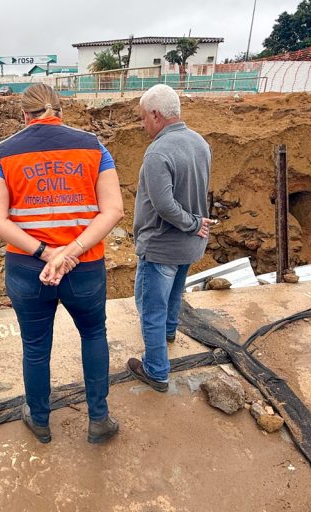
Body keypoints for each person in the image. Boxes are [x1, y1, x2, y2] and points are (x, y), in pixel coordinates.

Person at [0, 83, 124, 444]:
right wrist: (70, 251)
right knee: (93, 334)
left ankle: (40, 420)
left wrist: (46, 253)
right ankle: (99, 419)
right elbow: (113, 210)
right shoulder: (95, 148)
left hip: (28, 268)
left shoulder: (3, 154)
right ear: (61, 110)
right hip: (85, 266)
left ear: (23, 115)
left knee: (35, 345)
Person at [127, 84, 214, 392]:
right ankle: (169, 334)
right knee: (174, 295)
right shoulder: (199, 142)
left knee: (149, 308)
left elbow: (164, 206)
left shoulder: (158, 152)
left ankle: (156, 371)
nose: (142, 125)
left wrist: (191, 224)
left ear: (156, 114)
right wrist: (195, 227)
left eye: (142, 118)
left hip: (163, 246)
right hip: (189, 247)